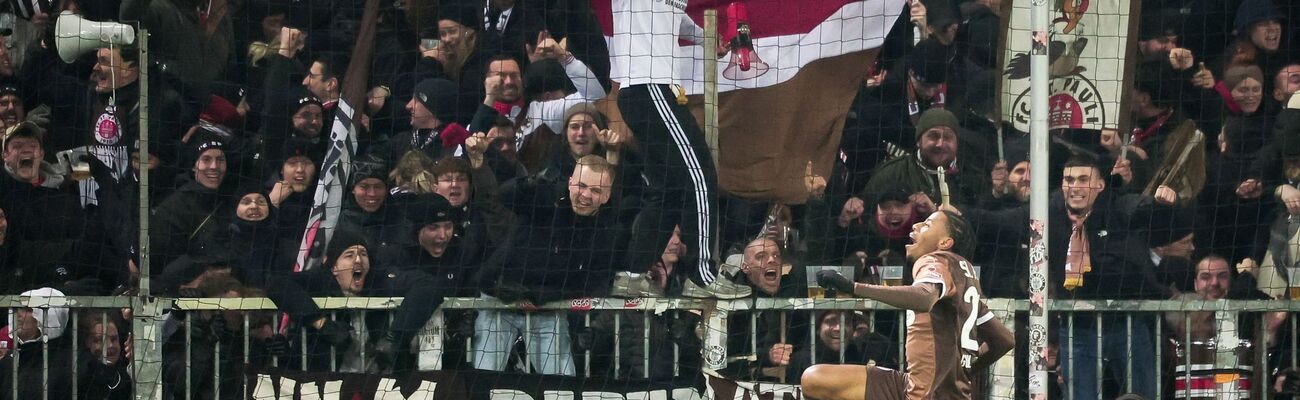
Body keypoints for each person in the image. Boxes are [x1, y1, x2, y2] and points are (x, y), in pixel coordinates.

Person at [610, 0, 749, 298]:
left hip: (656, 92)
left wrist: (707, 39)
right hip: (648, 87)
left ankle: (633, 275)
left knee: (669, 190)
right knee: (701, 178)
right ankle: (701, 274)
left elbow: (676, 18)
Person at [801, 210, 1014, 400]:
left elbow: (924, 297)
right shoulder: (966, 276)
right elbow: (1004, 340)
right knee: (814, 379)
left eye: (927, 224)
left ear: (945, 242)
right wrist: (962, 372)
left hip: (927, 394)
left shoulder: (935, 260)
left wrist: (853, 287)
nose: (916, 225)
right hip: (914, 385)